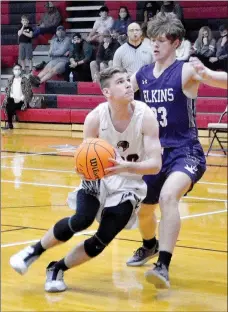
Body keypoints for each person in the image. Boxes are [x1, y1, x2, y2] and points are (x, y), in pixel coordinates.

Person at [9, 67, 162, 293]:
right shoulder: (95, 118)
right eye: (120, 82)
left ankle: (57, 268)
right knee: (82, 219)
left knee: (103, 238)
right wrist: (83, 168)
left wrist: (126, 166)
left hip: (129, 183)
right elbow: (85, 158)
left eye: (127, 81)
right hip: (97, 178)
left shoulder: (145, 116)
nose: (128, 85)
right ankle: (34, 251)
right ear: (107, 92)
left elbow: (155, 165)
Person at [128, 12, 227, 289]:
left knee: (169, 196)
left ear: (176, 43)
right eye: (153, 40)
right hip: (154, 155)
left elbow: (222, 80)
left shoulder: (184, 70)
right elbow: (121, 92)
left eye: (161, 40)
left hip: (186, 151)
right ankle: (150, 245)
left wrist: (207, 74)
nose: (155, 45)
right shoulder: (142, 74)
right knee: (143, 211)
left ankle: (163, 266)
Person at [1, 64, 33, 129]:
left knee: (9, 106)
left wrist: (22, 98)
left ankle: (9, 123)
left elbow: (29, 93)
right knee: (8, 103)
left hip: (21, 101)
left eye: (18, 69)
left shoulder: (25, 80)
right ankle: (10, 123)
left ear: (21, 71)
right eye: (15, 69)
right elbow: (9, 91)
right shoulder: (10, 80)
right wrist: (11, 97)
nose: (17, 71)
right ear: (13, 70)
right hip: (12, 99)